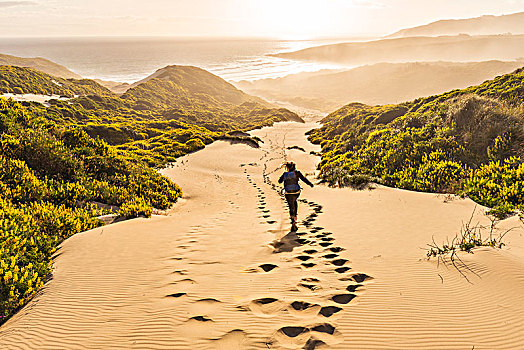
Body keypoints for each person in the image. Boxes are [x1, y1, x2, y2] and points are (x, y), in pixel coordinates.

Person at [278, 161, 314, 227]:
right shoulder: (297, 173)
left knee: (290, 206)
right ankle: (295, 216)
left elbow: (279, 181)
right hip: (296, 192)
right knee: (294, 201)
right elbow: (304, 179)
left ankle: (292, 220)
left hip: (288, 192)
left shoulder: (285, 174)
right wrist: (310, 184)